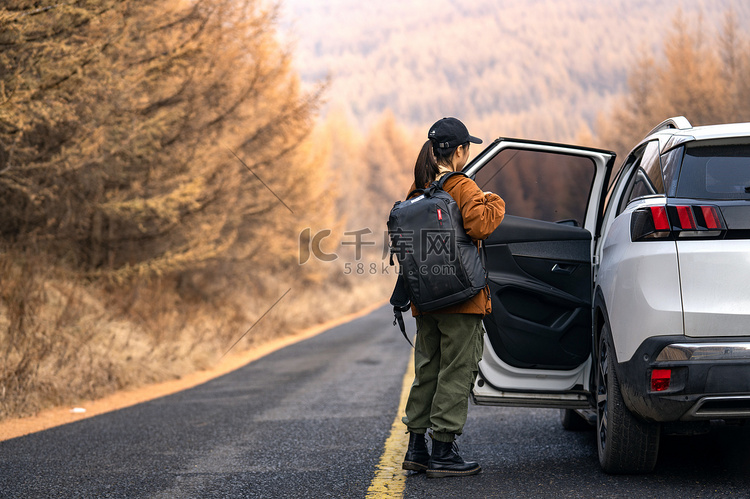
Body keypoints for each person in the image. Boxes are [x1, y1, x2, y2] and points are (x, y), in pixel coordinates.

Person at [401, 117, 505, 478]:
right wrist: (496, 200)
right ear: (459, 151)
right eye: (467, 148)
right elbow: (480, 224)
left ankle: (416, 448)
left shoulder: (418, 190)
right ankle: (443, 451)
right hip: (461, 299)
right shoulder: (462, 186)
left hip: (425, 300)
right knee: (456, 371)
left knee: (427, 369)